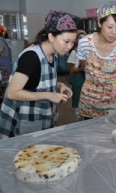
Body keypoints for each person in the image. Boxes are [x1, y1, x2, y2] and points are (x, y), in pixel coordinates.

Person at [0, 10, 78, 139]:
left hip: (41, 116)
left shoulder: (54, 54)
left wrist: (59, 86)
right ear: (51, 36)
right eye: (66, 41)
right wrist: (48, 95)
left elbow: (36, 81)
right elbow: (12, 93)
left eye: (72, 42)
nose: (70, 46)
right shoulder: (31, 57)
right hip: (24, 121)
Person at [67, 30, 87, 121]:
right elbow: (71, 69)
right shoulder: (74, 52)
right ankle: (78, 118)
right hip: (78, 78)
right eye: (79, 38)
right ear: (76, 41)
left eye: (84, 37)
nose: (82, 39)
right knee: (78, 98)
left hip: (88, 78)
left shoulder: (89, 52)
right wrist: (81, 68)